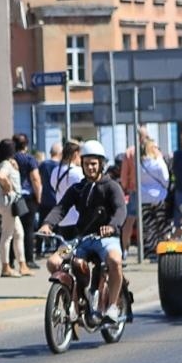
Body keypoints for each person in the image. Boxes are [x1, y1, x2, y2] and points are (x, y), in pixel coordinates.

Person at [38, 139, 127, 324]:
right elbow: (61, 208)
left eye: (94, 164)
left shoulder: (111, 186)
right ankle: (73, 302)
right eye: (86, 164)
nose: (90, 168)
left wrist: (112, 226)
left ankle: (111, 307)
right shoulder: (78, 188)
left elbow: (121, 210)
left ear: (101, 164)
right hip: (80, 239)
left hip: (107, 239)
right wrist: (47, 224)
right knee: (53, 262)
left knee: (115, 260)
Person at [0, 138, 30, 277]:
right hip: (9, 202)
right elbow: (1, 176)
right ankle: (5, 267)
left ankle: (22, 264)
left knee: (19, 233)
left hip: (3, 202)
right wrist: (8, 187)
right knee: (7, 234)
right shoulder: (5, 165)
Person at [12, 133, 44, 266]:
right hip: (28, 196)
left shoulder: (11, 160)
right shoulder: (29, 159)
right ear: (26, 144)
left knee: (13, 229)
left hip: (14, 197)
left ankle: (10, 259)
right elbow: (35, 178)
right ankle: (29, 259)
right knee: (28, 229)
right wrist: (39, 196)